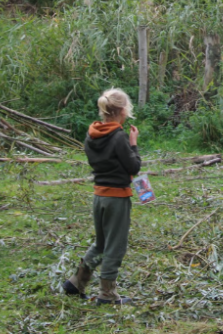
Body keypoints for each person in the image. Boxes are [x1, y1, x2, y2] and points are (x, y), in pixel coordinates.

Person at [63, 88, 141, 304]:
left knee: (101, 244)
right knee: (115, 246)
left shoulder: (91, 135)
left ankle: (76, 282)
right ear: (123, 110)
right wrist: (133, 143)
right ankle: (107, 294)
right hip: (117, 198)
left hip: (99, 196)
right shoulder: (118, 137)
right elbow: (133, 166)